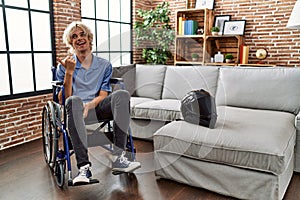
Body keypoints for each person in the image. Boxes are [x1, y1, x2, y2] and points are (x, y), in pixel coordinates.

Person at [56, 21, 141, 186]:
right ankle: (83, 169)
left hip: (96, 108)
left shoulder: (104, 65)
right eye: (74, 36)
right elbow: (65, 99)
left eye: (82, 35)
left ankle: (119, 158)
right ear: (70, 43)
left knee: (122, 94)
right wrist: (69, 73)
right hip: (74, 110)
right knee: (74, 101)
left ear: (89, 38)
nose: (79, 38)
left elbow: (103, 94)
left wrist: (89, 106)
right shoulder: (66, 65)